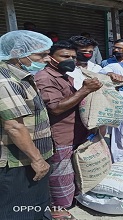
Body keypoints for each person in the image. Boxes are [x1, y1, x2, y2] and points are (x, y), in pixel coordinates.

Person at [35, 40, 102, 219]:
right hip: (60, 134)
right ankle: (58, 210)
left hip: (75, 132)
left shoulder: (65, 75)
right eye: (65, 56)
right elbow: (56, 108)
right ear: (50, 58)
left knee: (72, 172)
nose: (70, 60)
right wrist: (85, 90)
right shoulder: (45, 77)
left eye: (73, 56)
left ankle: (69, 202)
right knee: (60, 175)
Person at [0, 30, 53, 220]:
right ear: (17, 54)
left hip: (31, 156)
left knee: (35, 206)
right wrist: (37, 160)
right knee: (18, 210)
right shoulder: (5, 80)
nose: (47, 59)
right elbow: (14, 126)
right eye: (41, 54)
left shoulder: (21, 75)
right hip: (18, 162)